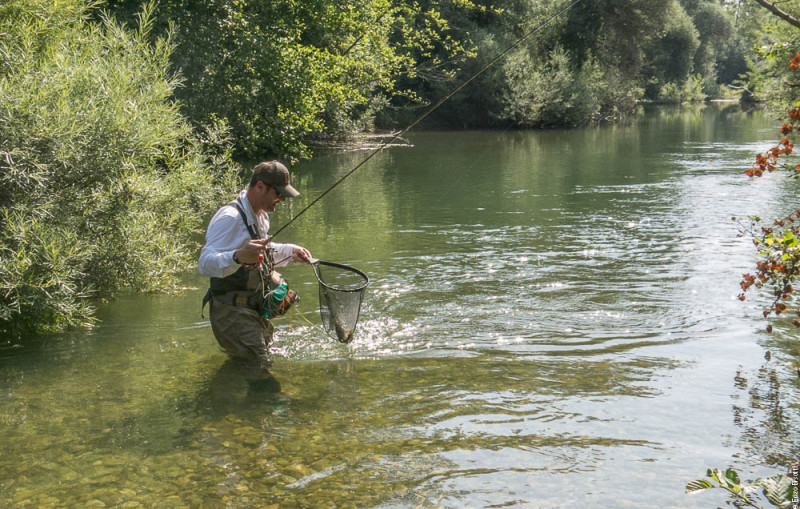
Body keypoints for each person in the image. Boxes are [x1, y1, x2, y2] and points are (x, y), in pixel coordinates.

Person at [198, 160, 312, 370]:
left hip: (253, 310)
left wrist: (289, 251)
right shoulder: (230, 218)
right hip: (231, 313)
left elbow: (259, 254)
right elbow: (204, 264)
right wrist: (237, 257)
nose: (282, 200)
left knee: (256, 364)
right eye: (278, 193)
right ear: (260, 186)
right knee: (259, 369)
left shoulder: (260, 216)